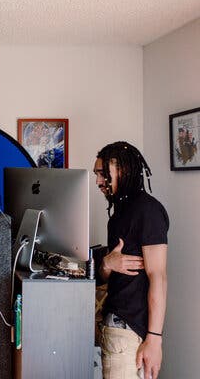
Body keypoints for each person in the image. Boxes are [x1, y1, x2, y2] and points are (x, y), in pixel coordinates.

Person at [93, 141, 168, 379]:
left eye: (104, 174)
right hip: (114, 325)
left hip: (130, 331)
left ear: (123, 171)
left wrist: (154, 340)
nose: (99, 182)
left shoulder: (148, 211)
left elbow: (159, 276)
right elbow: (106, 275)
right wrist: (107, 263)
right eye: (97, 175)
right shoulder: (117, 215)